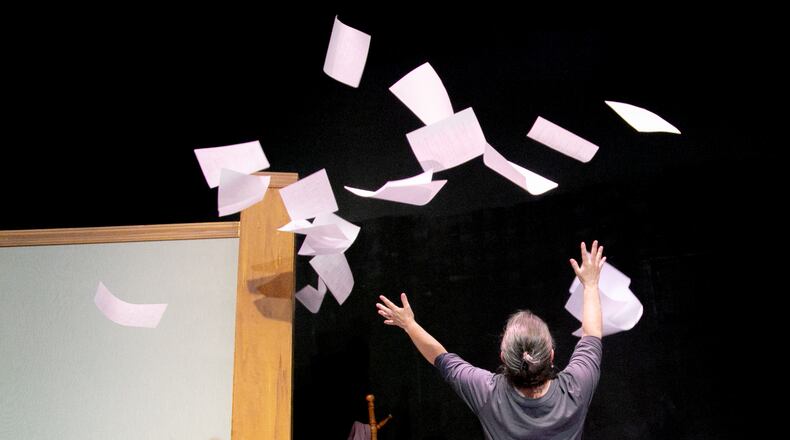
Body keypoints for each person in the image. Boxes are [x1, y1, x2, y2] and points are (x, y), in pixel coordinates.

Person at [376, 241, 606, 440]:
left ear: (503, 357)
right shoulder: (577, 388)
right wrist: (591, 284)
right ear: (551, 355)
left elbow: (440, 357)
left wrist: (409, 324)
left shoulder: (487, 393)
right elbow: (592, 333)